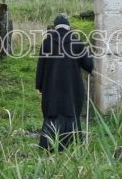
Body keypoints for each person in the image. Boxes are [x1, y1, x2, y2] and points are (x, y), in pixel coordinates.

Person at [36, 15, 94, 151]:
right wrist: (89, 57)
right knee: (71, 113)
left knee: (52, 113)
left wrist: (39, 86)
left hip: (51, 87)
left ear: (55, 27)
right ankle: (71, 145)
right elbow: (88, 65)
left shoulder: (47, 43)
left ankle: (49, 145)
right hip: (72, 88)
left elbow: (41, 66)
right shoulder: (77, 43)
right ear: (69, 27)